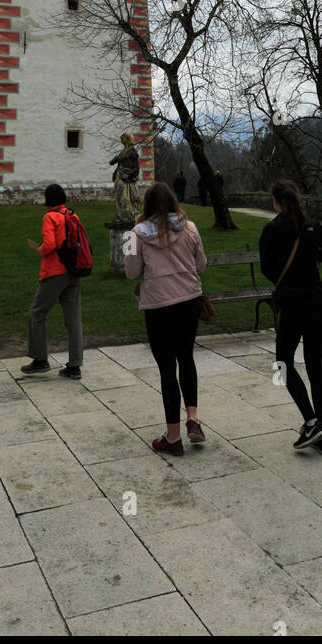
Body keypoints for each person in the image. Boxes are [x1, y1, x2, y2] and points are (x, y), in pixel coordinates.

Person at [259, 180, 322, 455]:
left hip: (292, 306)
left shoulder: (271, 230)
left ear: (275, 201)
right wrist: (317, 257)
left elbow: (267, 268)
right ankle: (321, 433)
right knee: (314, 367)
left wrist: (285, 281)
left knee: (283, 363)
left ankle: (312, 422)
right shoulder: (313, 227)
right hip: (316, 303)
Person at [125, 181, 207, 455]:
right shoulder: (190, 227)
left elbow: (130, 272)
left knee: (166, 368)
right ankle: (193, 419)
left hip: (158, 306)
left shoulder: (134, 234)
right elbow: (202, 264)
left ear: (145, 205)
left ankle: (173, 436)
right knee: (186, 358)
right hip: (188, 301)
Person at [21, 184, 85, 380]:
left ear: (48, 199)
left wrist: (40, 249)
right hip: (73, 271)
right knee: (73, 318)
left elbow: (50, 244)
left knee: (37, 312)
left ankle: (40, 359)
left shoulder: (50, 217)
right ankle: (75, 365)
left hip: (55, 271)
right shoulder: (72, 215)